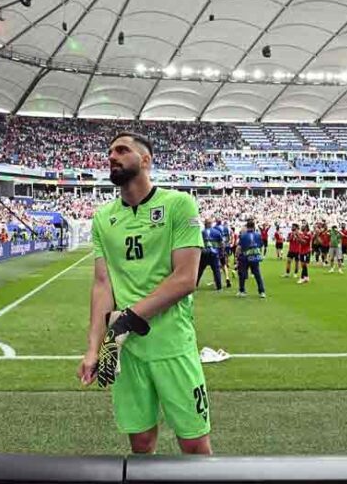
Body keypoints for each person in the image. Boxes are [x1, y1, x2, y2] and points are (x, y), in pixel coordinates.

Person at [78, 132, 211, 455]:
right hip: (123, 347)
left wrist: (126, 319)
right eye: (109, 151)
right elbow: (102, 285)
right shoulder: (102, 218)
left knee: (194, 442)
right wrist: (94, 349)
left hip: (172, 344)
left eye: (122, 150)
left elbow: (185, 278)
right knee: (139, 441)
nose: (112, 156)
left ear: (146, 160)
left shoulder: (179, 204)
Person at [237, 219, 266, 298]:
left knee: (242, 274)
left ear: (247, 227)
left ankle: (242, 291)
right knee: (257, 274)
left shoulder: (243, 236)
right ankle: (262, 292)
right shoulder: (258, 235)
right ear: (254, 227)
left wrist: (237, 257)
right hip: (255, 257)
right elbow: (260, 246)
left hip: (245, 258)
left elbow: (239, 248)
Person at [197, 219, 224, 292]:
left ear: (205, 224)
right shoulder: (217, 232)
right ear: (211, 224)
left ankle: (195, 285)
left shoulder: (201, 233)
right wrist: (221, 252)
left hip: (204, 253)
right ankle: (219, 287)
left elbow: (198, 244)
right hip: (214, 254)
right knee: (216, 270)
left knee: (200, 270)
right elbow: (222, 243)